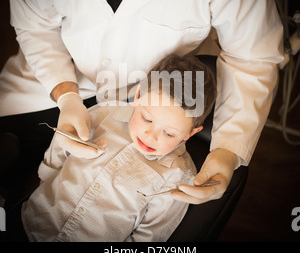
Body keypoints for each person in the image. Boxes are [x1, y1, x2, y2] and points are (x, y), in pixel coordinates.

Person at [0, 0, 284, 207]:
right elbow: (35, 26)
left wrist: (227, 151)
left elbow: (253, 56)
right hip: (59, 77)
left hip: (153, 89)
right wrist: (66, 96)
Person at [7, 54, 216, 242]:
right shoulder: (105, 112)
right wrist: (47, 172)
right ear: (137, 97)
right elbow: (65, 135)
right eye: (147, 119)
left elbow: (151, 235)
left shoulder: (177, 176)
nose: (151, 136)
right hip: (32, 221)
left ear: (191, 133)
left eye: (169, 133)